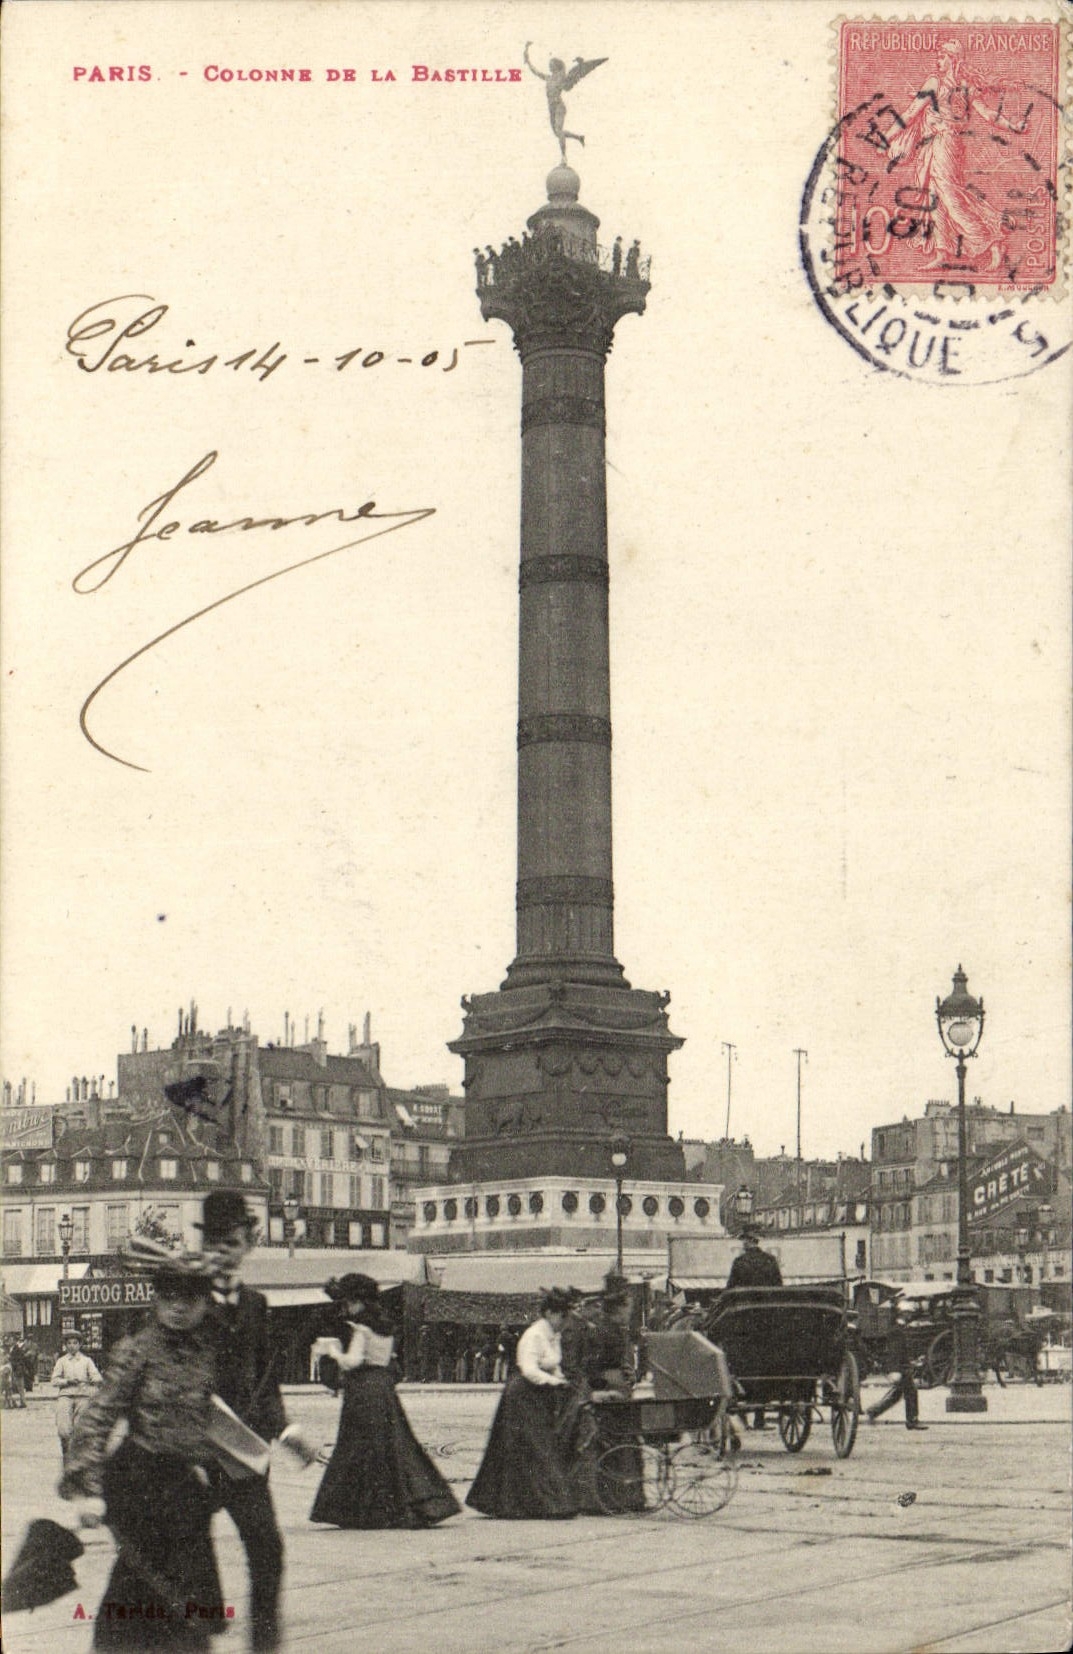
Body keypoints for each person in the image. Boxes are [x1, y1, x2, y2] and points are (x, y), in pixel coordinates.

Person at [59, 1248, 226, 1650]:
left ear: (204, 1303)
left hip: (186, 1487)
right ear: (157, 1299)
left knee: (189, 1592)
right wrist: (89, 1490)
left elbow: (219, 1418)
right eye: (169, 1297)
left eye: (190, 1299)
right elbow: (97, 1419)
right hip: (139, 1482)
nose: (178, 1308)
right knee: (139, 1587)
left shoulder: (210, 1352)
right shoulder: (137, 1350)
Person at [198, 1189, 310, 1652]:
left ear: (247, 1244)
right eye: (212, 1241)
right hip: (195, 1453)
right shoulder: (184, 1299)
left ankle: (264, 1644)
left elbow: (265, 1379)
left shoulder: (256, 1305)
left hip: (242, 1452)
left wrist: (285, 1429)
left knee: (268, 1549)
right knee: (186, 1553)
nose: (221, 1250)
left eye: (231, 1241)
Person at [310, 1274, 459, 1529]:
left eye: (350, 1302)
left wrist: (332, 1351)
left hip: (363, 1390)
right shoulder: (386, 1329)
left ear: (360, 1302)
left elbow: (352, 1362)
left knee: (357, 1446)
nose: (348, 1307)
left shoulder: (362, 1330)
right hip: (384, 1388)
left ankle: (364, 1509)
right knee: (393, 1444)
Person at [879, 39, 1027, 272]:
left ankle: (991, 240)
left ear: (954, 59)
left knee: (950, 197)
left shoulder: (937, 82)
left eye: (942, 56)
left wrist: (885, 138)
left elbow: (910, 113)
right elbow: (988, 114)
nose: (938, 61)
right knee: (934, 197)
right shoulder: (963, 85)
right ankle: (942, 252)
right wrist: (1013, 126)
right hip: (941, 145)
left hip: (943, 145)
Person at [466, 1288, 580, 1519]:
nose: (565, 1322)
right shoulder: (535, 1334)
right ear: (549, 1313)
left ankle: (539, 1503)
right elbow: (529, 1369)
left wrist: (561, 1379)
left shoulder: (553, 1335)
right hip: (522, 1394)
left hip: (538, 1395)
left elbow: (553, 1365)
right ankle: (542, 1504)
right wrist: (556, 1383)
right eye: (562, 1316)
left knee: (538, 1446)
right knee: (535, 1447)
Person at [726, 1228, 782, 1428]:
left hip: (744, 1324)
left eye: (744, 1241)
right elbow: (779, 1289)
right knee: (765, 1365)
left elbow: (730, 1290)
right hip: (768, 1324)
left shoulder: (740, 1263)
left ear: (747, 1241)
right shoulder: (771, 1261)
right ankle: (760, 1417)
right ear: (758, 1241)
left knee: (737, 1363)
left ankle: (742, 1412)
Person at [523, 44, 608, 160]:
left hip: (559, 106)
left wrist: (581, 64)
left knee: (559, 131)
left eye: (551, 64)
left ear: (556, 66)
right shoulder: (549, 78)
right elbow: (536, 72)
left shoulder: (561, 77)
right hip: (551, 108)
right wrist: (528, 59)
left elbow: (574, 74)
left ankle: (564, 156)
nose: (549, 66)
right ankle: (579, 137)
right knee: (557, 133)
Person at [865, 1307, 928, 1430]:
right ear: (903, 1314)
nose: (910, 1315)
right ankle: (912, 1421)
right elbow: (895, 1352)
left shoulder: (899, 1328)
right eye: (908, 1313)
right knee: (910, 1392)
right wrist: (895, 1370)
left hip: (902, 1366)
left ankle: (873, 1411)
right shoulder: (896, 1330)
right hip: (900, 1367)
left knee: (897, 1394)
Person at [51, 1331, 103, 1464]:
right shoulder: (62, 1361)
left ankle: (78, 1459)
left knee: (80, 1428)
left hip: (83, 1396)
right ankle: (66, 1453)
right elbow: (54, 1380)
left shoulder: (86, 1361)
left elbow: (97, 1377)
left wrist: (92, 1379)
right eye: (69, 1343)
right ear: (65, 1345)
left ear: (80, 1345)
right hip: (66, 1395)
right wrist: (67, 1381)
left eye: (75, 1343)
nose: (72, 1346)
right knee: (63, 1429)